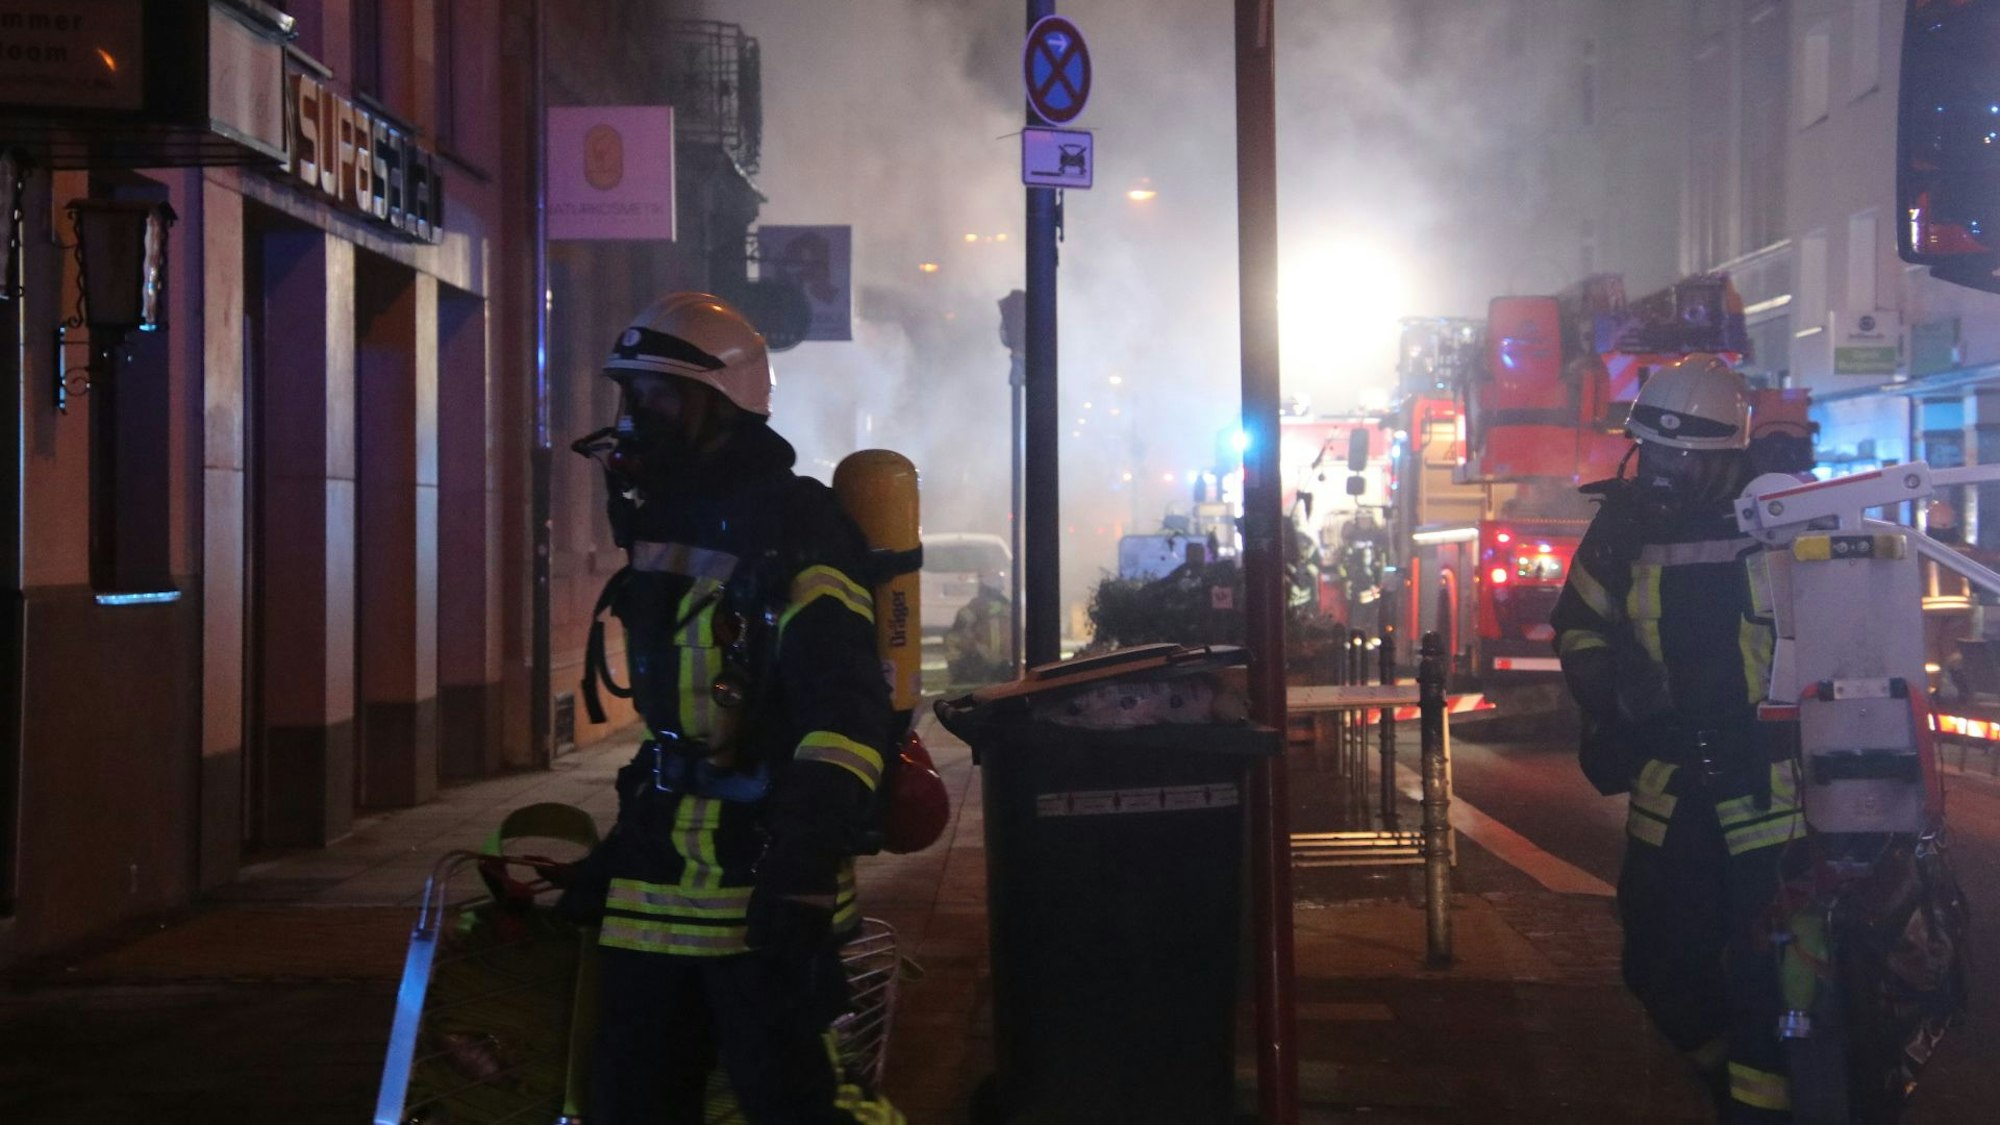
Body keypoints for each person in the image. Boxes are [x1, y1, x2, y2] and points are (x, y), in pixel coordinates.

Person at [567, 292, 901, 1124]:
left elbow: (846, 716)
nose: (635, 416)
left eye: (658, 395)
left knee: (792, 1109)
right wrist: (617, 853)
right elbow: (682, 719)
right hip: (657, 889)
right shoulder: (667, 522)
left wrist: (804, 867)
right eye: (629, 394)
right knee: (626, 1103)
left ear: (720, 405)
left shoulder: (797, 526)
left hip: (763, 893)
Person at [1549, 354, 1802, 1122]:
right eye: (1650, 449)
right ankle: (1730, 1083)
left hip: (1772, 790)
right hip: (1669, 781)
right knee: (1658, 965)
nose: (1658, 467)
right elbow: (1580, 626)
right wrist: (1615, 705)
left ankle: (1761, 1111)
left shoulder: (1782, 519)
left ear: (1725, 453)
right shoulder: (1622, 526)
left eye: (1677, 453)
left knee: (1774, 980)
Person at [943, 574, 1011, 684]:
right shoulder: (975, 609)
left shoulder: (1007, 608)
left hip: (1000, 669)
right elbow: (958, 635)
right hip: (977, 669)